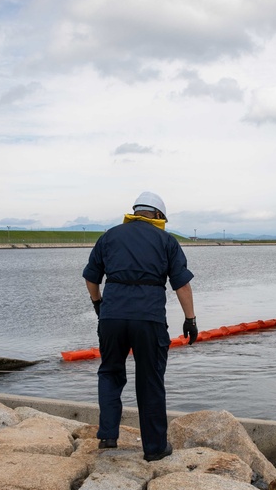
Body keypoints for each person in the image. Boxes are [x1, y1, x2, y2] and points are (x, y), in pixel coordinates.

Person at [82, 191, 197, 462]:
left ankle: (108, 435)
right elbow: (181, 283)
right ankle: (155, 448)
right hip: (149, 318)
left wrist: (99, 305)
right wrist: (190, 319)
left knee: (110, 372)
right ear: (157, 216)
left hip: (111, 317)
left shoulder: (109, 236)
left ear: (135, 212)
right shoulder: (167, 241)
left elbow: (90, 278)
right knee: (150, 380)